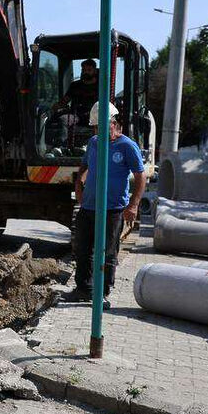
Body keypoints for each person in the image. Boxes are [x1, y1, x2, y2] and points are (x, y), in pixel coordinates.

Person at [72, 103, 146, 307]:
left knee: (108, 251)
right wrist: (79, 183)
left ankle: (102, 292)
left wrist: (133, 206)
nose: (98, 132)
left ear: (114, 124)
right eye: (95, 128)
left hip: (112, 209)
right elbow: (85, 165)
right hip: (89, 206)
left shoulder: (127, 146)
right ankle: (83, 289)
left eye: (101, 127)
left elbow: (141, 177)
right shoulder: (94, 142)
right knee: (83, 248)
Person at [53, 58, 100, 123]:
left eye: (89, 70)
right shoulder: (75, 85)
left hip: (95, 117)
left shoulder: (101, 86)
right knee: (62, 119)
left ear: (95, 71)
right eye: (84, 70)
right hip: (76, 116)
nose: (86, 72)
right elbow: (64, 101)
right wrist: (53, 108)